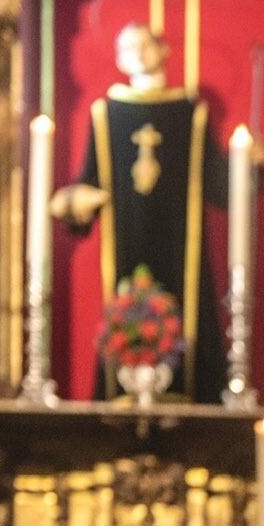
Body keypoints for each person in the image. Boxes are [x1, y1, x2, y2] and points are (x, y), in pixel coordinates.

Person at [51, 22, 229, 402]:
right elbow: (88, 181)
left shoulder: (190, 113)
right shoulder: (107, 114)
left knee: (191, 312)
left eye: (144, 44)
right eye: (127, 48)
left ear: (163, 50)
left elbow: (219, 183)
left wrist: (247, 169)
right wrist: (74, 202)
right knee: (123, 297)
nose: (138, 54)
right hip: (127, 244)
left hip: (181, 244)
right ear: (118, 59)